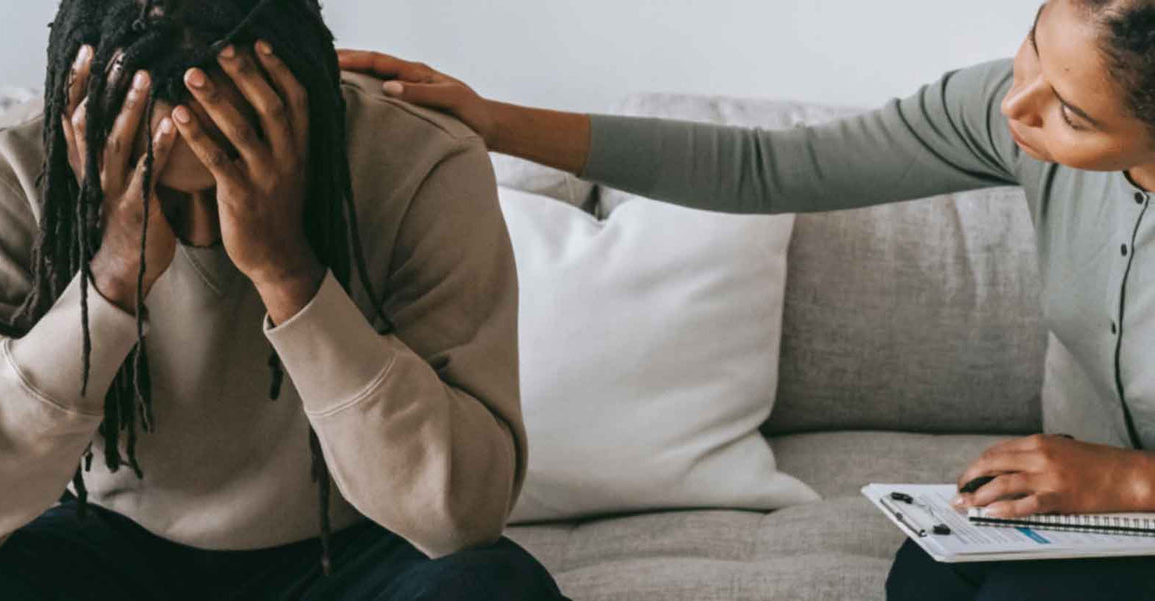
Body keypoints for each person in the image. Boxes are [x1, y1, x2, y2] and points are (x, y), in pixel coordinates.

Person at [340, 1, 1155, 600]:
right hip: (1072, 520)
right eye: (1032, 46)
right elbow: (769, 168)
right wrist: (492, 121)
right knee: (927, 579)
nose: (1016, 104)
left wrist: (1129, 482)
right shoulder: (1008, 113)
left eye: (1070, 112)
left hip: (1124, 515)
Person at [0, 0, 569, 599]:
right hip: (105, 542)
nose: (201, 232)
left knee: (495, 590)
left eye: (231, 180)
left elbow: (463, 515)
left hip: (357, 548)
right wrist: (109, 284)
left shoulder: (423, 161)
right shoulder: (1, 176)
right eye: (163, 192)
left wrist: (289, 273)